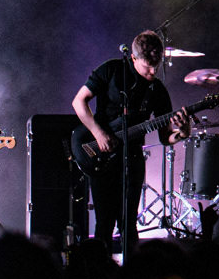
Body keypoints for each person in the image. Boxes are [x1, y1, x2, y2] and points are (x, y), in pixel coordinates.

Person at [72, 30, 190, 261]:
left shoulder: (157, 90)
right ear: (133, 58)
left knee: (128, 223)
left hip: (132, 158)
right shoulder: (112, 70)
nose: (153, 72)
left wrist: (183, 133)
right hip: (101, 154)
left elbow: (166, 138)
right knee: (104, 222)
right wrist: (98, 133)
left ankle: (131, 273)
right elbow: (79, 101)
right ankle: (101, 271)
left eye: (157, 65)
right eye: (148, 67)